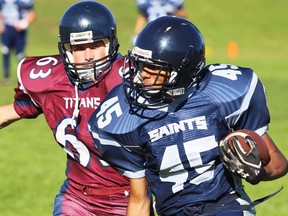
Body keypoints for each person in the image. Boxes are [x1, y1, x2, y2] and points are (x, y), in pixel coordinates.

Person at [89, 16, 288, 215]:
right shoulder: (124, 115)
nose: (142, 75)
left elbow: (278, 163)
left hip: (225, 205)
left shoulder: (222, 93)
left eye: (152, 68)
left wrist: (257, 172)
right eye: (139, 65)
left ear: (182, 71)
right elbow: (139, 200)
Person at [0, 1, 131, 215]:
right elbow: (10, 112)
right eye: (79, 48)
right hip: (76, 197)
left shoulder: (130, 80)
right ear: (66, 50)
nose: (88, 55)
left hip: (128, 196)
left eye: (96, 44)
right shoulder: (53, 80)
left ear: (111, 44)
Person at [0, 0, 36, 84]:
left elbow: (32, 14)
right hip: (7, 29)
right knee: (5, 51)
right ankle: (6, 77)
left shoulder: (25, 1)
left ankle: (26, 75)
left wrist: (24, 23)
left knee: (19, 55)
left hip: (19, 30)